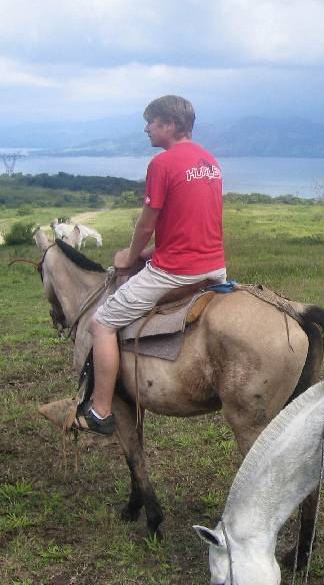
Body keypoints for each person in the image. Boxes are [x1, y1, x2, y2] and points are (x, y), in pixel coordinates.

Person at [74, 95, 227, 435]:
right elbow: (195, 222)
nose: (147, 129)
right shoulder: (210, 161)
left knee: (102, 324)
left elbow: (146, 223)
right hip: (215, 269)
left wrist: (130, 256)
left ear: (170, 125)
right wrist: (152, 252)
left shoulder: (162, 164)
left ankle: (99, 411)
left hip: (176, 273)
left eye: (152, 123)